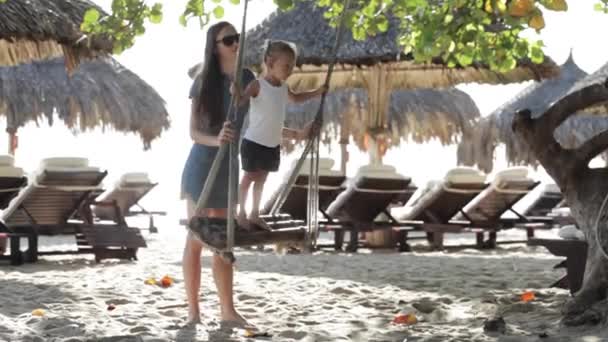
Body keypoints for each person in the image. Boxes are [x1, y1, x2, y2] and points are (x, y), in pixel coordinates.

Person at [180, 21, 255, 326]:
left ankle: (228, 311)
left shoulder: (247, 77)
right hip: (201, 166)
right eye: (228, 40)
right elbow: (193, 132)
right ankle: (194, 312)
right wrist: (217, 138)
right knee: (197, 238)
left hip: (228, 167)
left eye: (237, 38)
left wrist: (296, 133)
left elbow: (270, 106)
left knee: (224, 242)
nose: (235, 43)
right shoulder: (203, 81)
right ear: (214, 46)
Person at [234, 40, 326, 230]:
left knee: (261, 180)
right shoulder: (257, 85)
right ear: (270, 62)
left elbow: (297, 99)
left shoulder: (284, 89)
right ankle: (240, 212)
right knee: (249, 178)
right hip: (253, 143)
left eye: (292, 66)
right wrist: (236, 93)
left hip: (272, 144)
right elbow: (240, 101)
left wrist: (317, 93)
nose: (290, 69)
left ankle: (255, 213)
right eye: (286, 65)